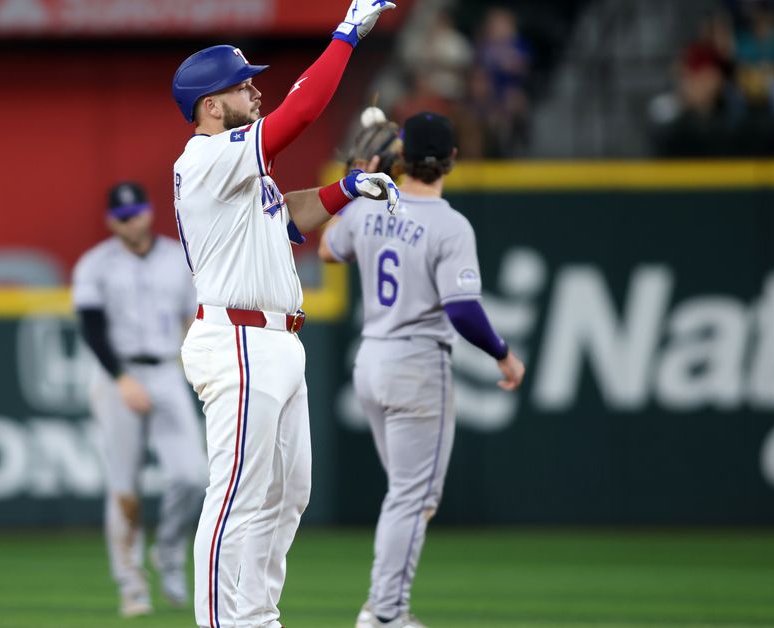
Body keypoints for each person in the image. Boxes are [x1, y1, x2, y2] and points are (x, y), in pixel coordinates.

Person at [170, 2, 400, 626]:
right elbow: (300, 112)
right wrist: (346, 35)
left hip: (272, 341)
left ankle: (256, 615)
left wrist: (345, 189)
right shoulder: (207, 157)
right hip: (239, 340)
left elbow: (287, 217)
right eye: (241, 85)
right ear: (210, 106)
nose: (255, 91)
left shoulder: (239, 169)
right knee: (235, 499)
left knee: (286, 494)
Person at [319, 112, 526, 628]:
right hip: (416, 365)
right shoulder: (449, 224)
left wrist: (354, 186)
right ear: (452, 159)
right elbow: (462, 310)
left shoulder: (368, 207)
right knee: (412, 498)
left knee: (407, 496)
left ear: (402, 157)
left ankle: (388, 608)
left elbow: (325, 249)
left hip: (371, 361)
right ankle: (385, 612)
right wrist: (502, 353)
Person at [71, 182, 209, 618]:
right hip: (119, 374)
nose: (132, 222)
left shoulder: (177, 258)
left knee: (192, 475)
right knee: (124, 486)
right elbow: (91, 328)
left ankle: (167, 551)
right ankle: (131, 585)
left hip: (166, 369)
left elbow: (191, 320)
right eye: (123, 216)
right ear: (111, 221)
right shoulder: (96, 264)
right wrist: (121, 378)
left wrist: (197, 369)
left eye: (137, 213)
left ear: (150, 212)